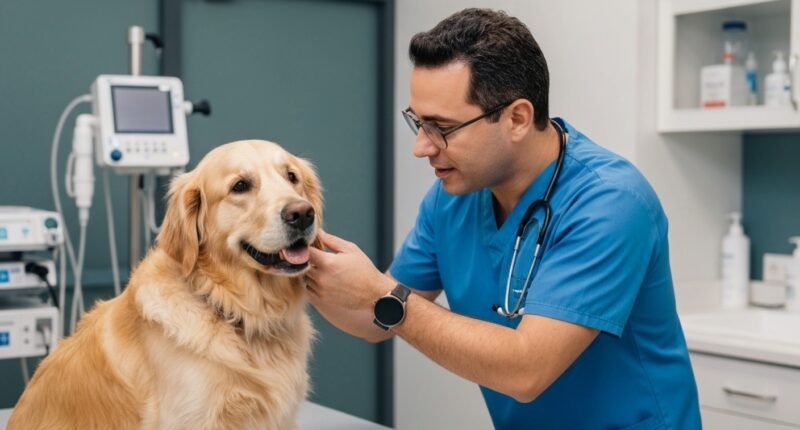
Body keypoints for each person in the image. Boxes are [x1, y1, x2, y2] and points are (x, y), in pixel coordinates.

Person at [307, 8, 701, 430]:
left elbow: (526, 370)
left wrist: (383, 296)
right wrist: (295, 264)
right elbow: (376, 320)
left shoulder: (611, 202)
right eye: (418, 123)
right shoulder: (450, 201)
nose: (421, 147)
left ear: (516, 119)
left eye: (441, 127)